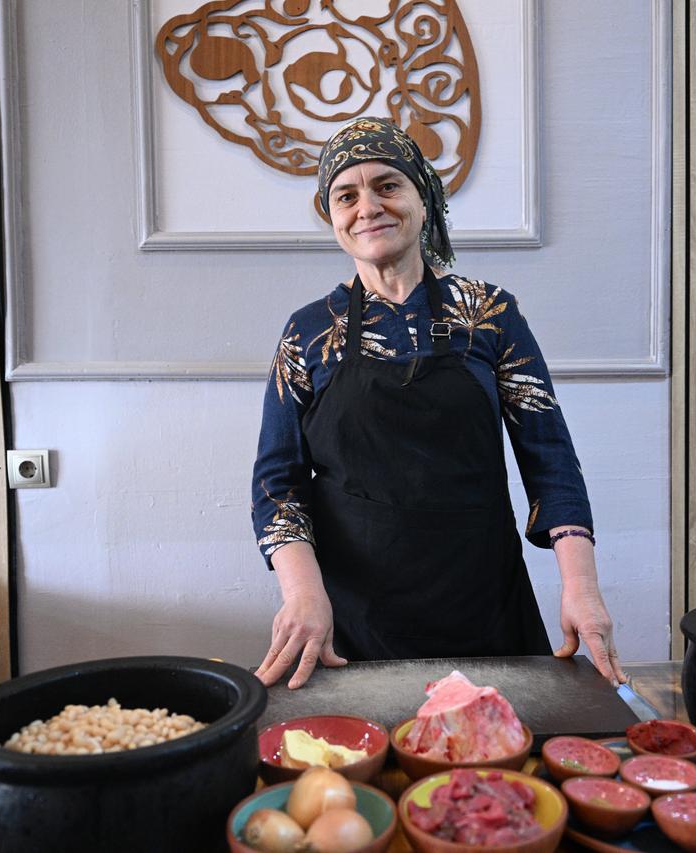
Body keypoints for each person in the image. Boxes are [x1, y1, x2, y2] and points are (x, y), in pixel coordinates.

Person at [251, 117, 623, 689]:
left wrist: (582, 589)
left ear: (424, 200)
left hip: (484, 605)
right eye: (346, 195)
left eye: (387, 185)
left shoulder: (491, 314)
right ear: (334, 219)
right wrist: (302, 595)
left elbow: (550, 458)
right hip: (354, 621)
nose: (368, 206)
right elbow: (278, 482)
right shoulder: (307, 333)